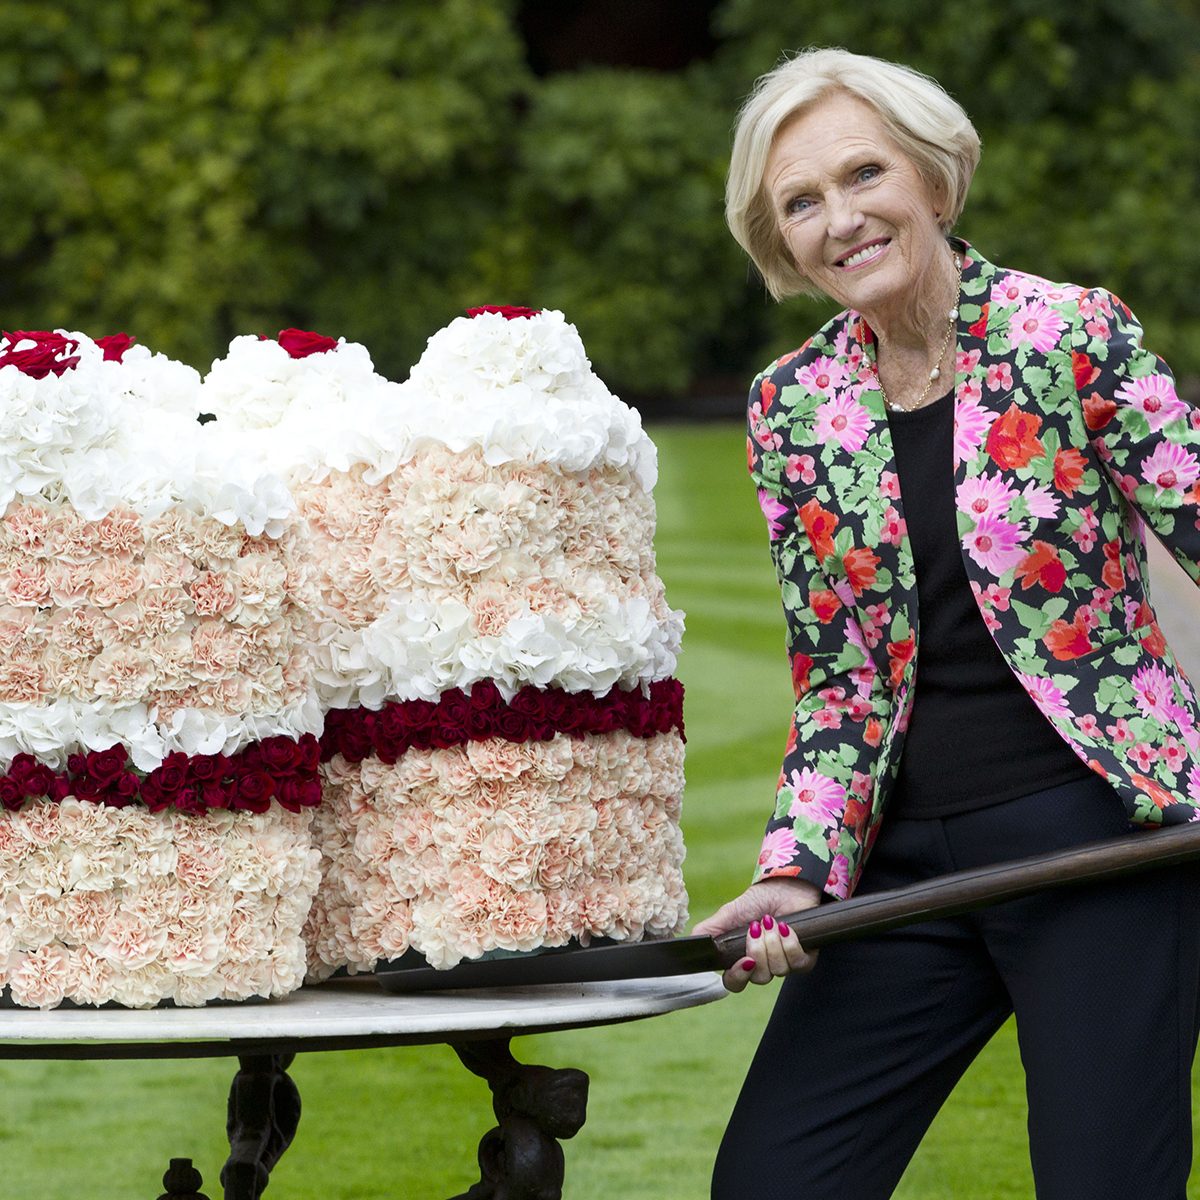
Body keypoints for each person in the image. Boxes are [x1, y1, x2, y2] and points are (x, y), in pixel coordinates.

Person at [694, 47, 1200, 1200]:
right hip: (907, 871)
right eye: (802, 203)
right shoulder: (792, 408)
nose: (842, 218)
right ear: (780, 244)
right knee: (774, 1182)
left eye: (864, 174)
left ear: (932, 176)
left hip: (1101, 843)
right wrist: (798, 870)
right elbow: (840, 680)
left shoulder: (1070, 336)